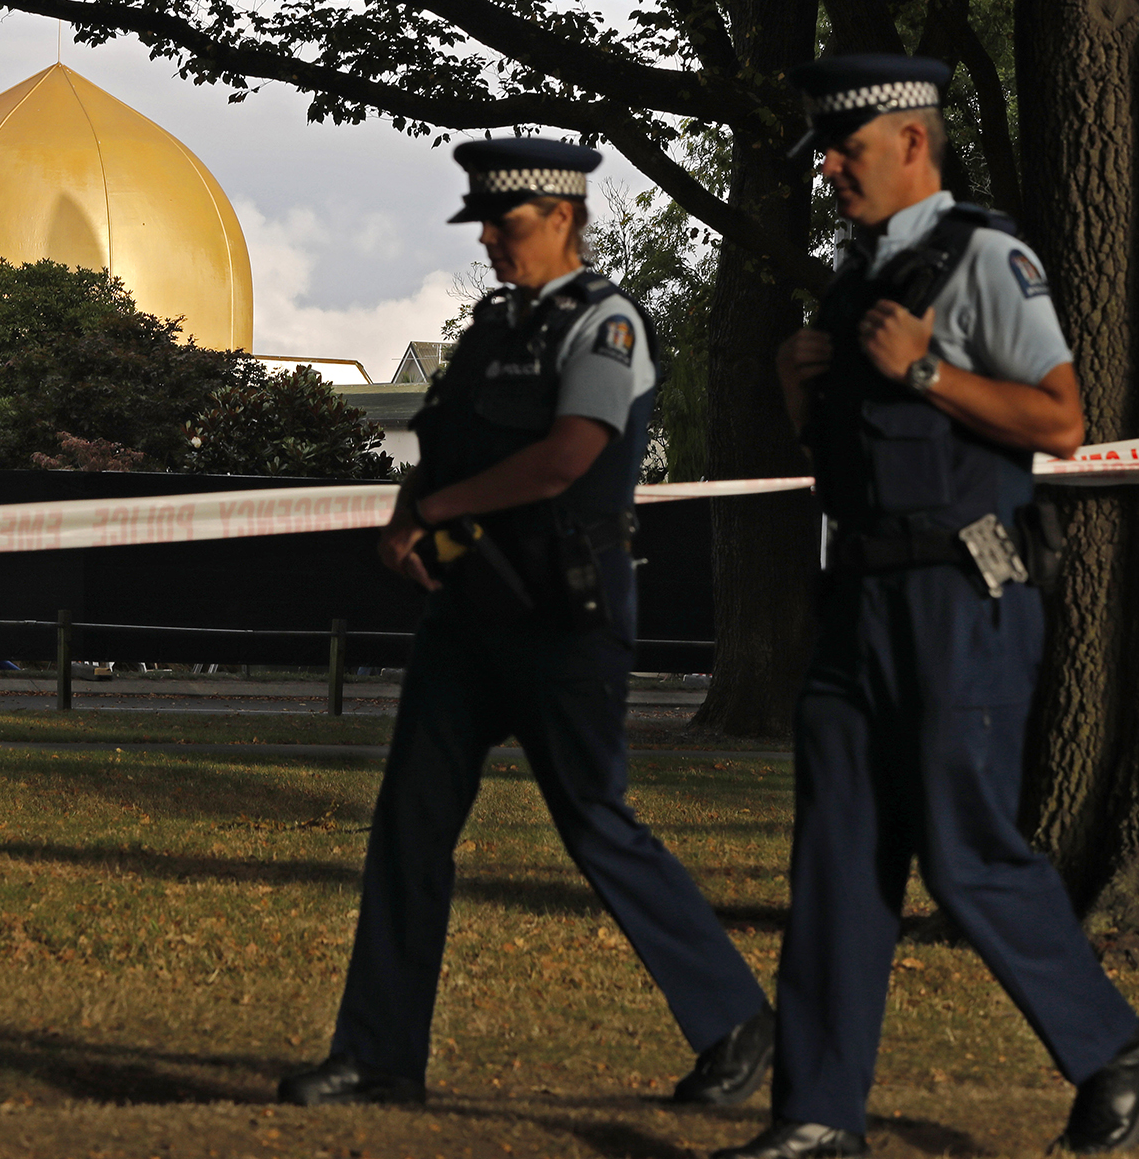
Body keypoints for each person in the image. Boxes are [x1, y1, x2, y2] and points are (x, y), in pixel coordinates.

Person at [714, 57, 1139, 1159]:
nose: (828, 168)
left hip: (960, 598)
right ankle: (819, 1113)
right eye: (823, 152)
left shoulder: (983, 258)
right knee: (834, 854)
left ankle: (1118, 1049)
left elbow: (1060, 421)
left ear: (913, 145)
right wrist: (801, 392)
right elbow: (851, 464)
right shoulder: (853, 278)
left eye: (847, 148)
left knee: (964, 850)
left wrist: (927, 372)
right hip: (861, 597)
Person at [277, 137, 775, 1110]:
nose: (495, 245)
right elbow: (443, 438)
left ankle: (733, 1017)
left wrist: (434, 507)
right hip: (470, 604)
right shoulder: (489, 327)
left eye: (508, 227)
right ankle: (378, 1051)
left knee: (595, 821)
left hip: (564, 610)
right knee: (409, 823)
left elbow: (565, 457)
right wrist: (404, 512)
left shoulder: (606, 324)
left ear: (561, 217)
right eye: (486, 229)